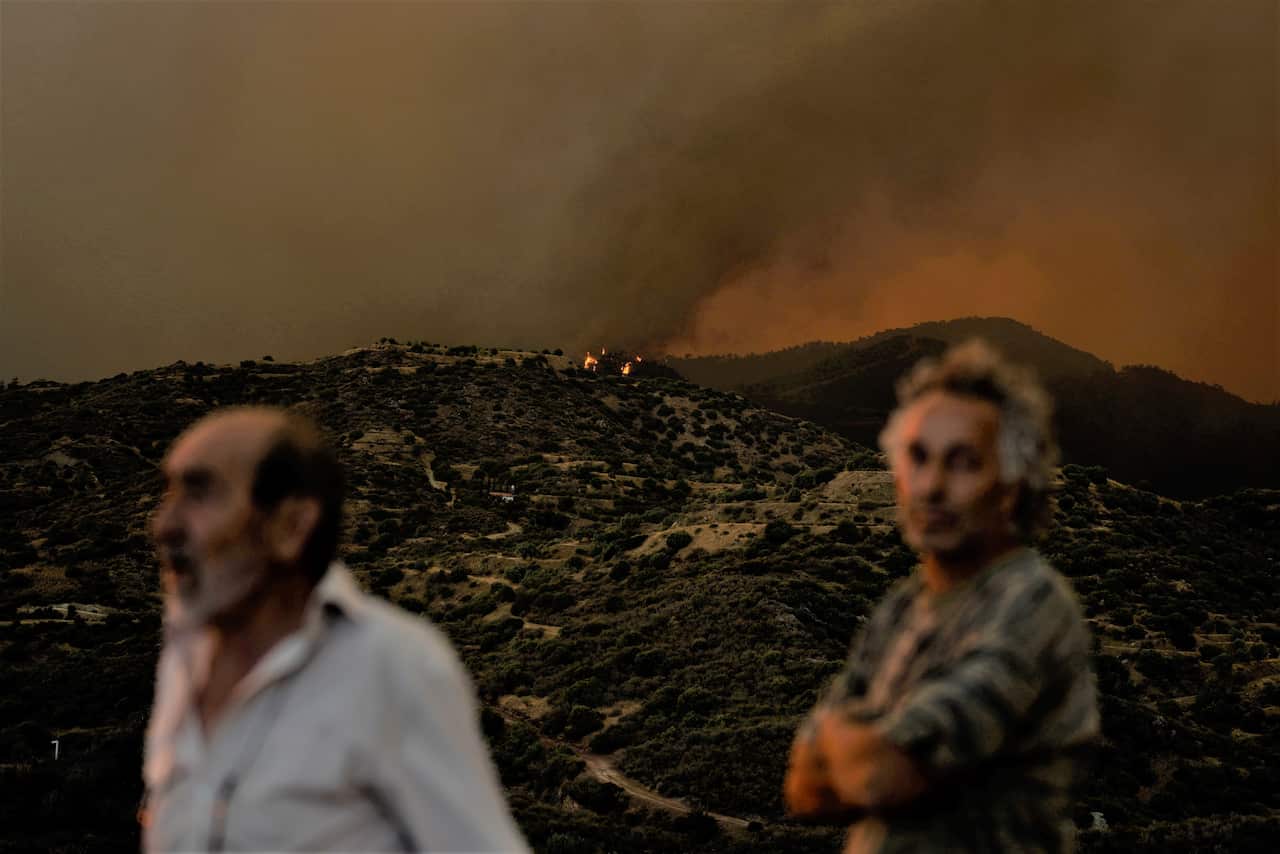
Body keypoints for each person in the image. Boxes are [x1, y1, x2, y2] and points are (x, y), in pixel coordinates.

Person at [142, 406, 527, 852]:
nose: (164, 525)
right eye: (168, 495)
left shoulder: (393, 665)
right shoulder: (183, 659)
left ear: (291, 526)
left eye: (200, 494)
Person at [783, 340, 1100, 853]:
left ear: (1012, 486)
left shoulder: (1033, 606)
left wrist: (847, 747)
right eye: (918, 457)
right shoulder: (901, 607)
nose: (932, 486)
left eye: (963, 462)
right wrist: (857, 757)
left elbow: (881, 776)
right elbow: (803, 789)